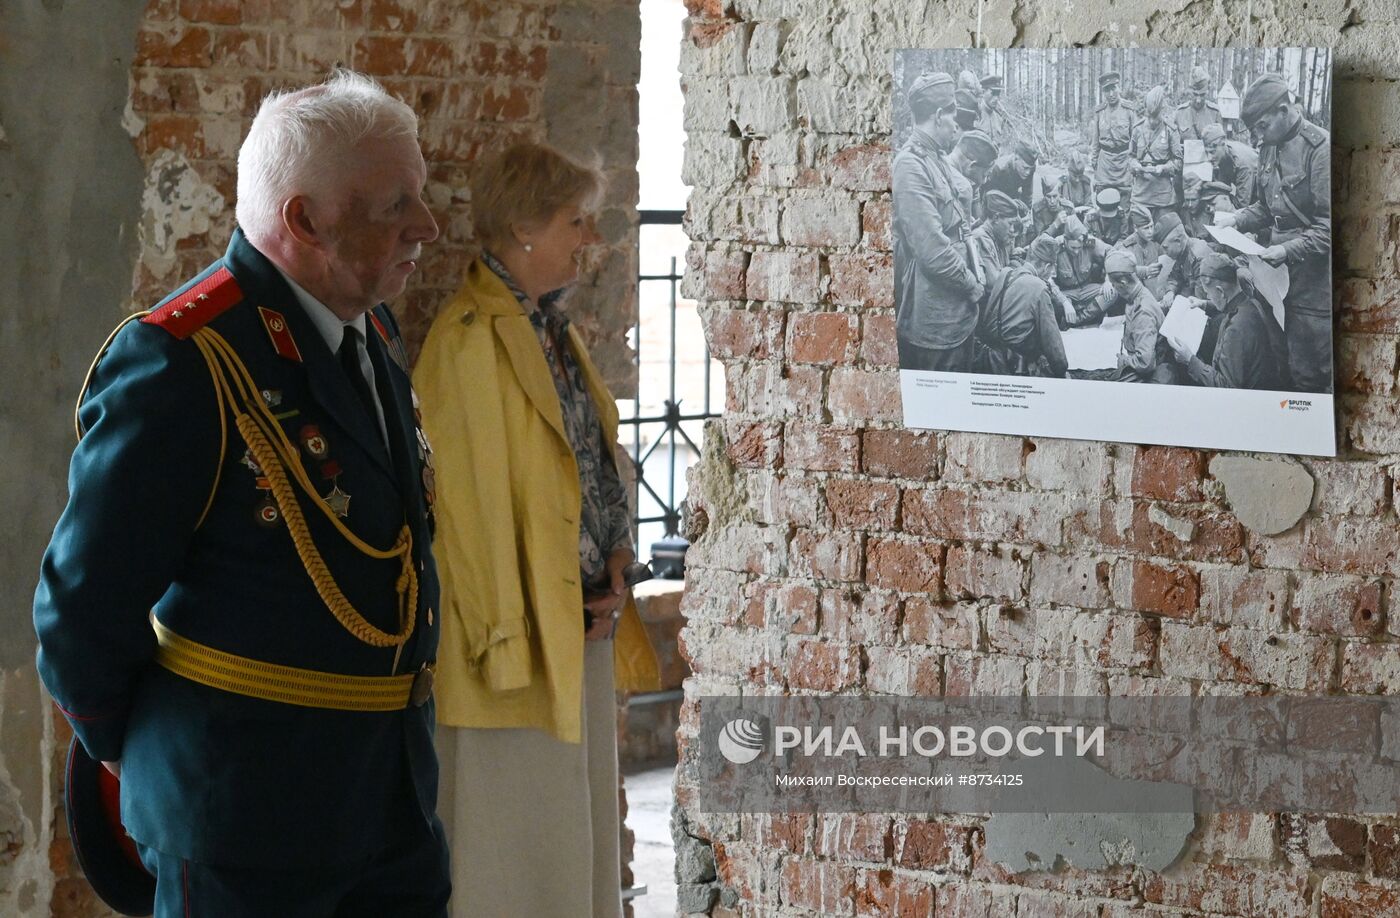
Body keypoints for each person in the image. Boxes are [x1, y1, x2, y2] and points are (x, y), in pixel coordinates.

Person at [33, 71, 448, 916]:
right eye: (395, 204)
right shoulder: (184, 361)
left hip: (387, 804)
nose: (427, 226)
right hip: (242, 819)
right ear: (304, 220)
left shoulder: (370, 327)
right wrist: (149, 753)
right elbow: (81, 611)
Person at [414, 141, 660, 918]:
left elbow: (586, 461)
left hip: (575, 623)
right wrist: (506, 637)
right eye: (574, 221)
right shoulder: (466, 342)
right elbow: (463, 520)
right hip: (511, 647)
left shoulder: (550, 330)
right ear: (523, 228)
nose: (590, 239)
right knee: (511, 853)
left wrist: (614, 559)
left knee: (569, 841)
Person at [1214, 73, 1331, 393]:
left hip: (1312, 283)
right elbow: (1265, 209)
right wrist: (1235, 221)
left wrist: (1286, 250)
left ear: (1284, 110)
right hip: (1272, 279)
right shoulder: (1268, 147)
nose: (1257, 136)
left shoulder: (1320, 149)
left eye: (1261, 126)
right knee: (1278, 360)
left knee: (1308, 372)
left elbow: (1329, 228)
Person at [894, 71, 983, 371]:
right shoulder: (910, 165)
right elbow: (931, 250)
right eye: (953, 114)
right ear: (938, 115)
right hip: (936, 321)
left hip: (957, 312)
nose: (957, 124)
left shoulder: (935, 157)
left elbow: (960, 218)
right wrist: (970, 284)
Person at [1164, 252, 1288, 389]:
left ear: (1220, 291)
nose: (1208, 296)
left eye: (1208, 293)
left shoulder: (1236, 329)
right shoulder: (1252, 302)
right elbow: (1233, 306)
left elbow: (1227, 386)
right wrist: (1204, 304)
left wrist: (1190, 360)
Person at [975, 233, 1069, 377]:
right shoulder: (1038, 287)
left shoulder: (1005, 273)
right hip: (1014, 366)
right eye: (1052, 269)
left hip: (987, 359)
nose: (1051, 273)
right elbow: (1053, 345)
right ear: (1046, 266)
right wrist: (1062, 369)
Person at [1098, 249, 1170, 382]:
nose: (1114, 288)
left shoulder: (1143, 312)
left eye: (1114, 285)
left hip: (1154, 369)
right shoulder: (1138, 295)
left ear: (1123, 282)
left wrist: (1124, 360)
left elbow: (1145, 363)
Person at [1130, 85, 1182, 222]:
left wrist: (1164, 168)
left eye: (1156, 116)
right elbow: (1130, 156)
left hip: (1162, 195)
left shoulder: (1170, 130)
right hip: (1141, 193)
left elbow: (1178, 161)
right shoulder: (1137, 129)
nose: (1153, 121)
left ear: (1162, 110)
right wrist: (1135, 165)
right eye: (1150, 116)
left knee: (1164, 231)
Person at [1054, 216, 1114, 326]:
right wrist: (1064, 301)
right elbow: (1048, 279)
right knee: (1051, 300)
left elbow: (1111, 253)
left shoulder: (1089, 242)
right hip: (1067, 293)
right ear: (1065, 241)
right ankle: (1076, 317)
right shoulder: (1056, 247)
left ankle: (1077, 320)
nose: (1077, 252)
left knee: (1112, 292)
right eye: (1073, 248)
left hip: (1087, 289)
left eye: (1079, 247)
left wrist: (1108, 280)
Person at [1090, 71, 1135, 212]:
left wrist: (1134, 162)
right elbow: (1095, 141)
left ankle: (1124, 233)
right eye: (1107, 90)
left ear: (1118, 87)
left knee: (1125, 204)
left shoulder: (1129, 110)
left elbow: (1136, 139)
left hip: (1124, 162)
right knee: (1103, 200)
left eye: (1113, 88)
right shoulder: (1099, 112)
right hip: (1105, 164)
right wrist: (1094, 162)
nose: (1111, 94)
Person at [1202, 122, 1258, 209]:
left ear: (1223, 144)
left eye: (1212, 152)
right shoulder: (1223, 155)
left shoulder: (1242, 163)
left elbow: (1242, 205)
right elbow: (1223, 191)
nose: (1209, 158)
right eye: (1207, 152)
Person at [968, 190, 1021, 279]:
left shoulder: (997, 237)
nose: (1012, 229)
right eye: (1010, 224)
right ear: (996, 218)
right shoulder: (981, 238)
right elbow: (994, 283)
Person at [984, 138, 1037, 209]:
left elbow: (1027, 197)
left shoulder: (1030, 169)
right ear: (1016, 158)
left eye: (1030, 169)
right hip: (994, 199)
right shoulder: (999, 169)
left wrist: (1026, 213)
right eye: (1025, 168)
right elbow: (989, 197)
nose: (1028, 172)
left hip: (1012, 196)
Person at [1175, 65, 1224, 142]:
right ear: (1190, 92)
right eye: (1195, 95)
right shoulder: (1179, 113)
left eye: (1202, 95)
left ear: (1206, 93)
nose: (1198, 100)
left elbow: (1221, 144)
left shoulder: (1215, 113)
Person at [977, 73, 1013, 145]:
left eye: (998, 93)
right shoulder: (976, 115)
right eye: (993, 93)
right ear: (983, 92)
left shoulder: (999, 118)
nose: (996, 98)